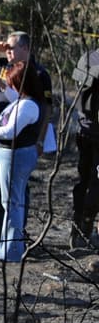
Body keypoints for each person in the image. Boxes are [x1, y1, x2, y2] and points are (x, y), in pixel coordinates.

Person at [0, 32, 52, 244]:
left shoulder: (39, 73)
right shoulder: (4, 65)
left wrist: (41, 140)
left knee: (18, 187)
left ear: (26, 48)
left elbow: (46, 108)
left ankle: (16, 233)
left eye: (12, 48)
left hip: (21, 139)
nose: (8, 52)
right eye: (6, 49)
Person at [0, 61, 46, 262]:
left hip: (16, 157)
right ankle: (8, 245)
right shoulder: (25, 100)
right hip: (11, 155)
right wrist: (3, 87)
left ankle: (11, 252)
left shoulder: (29, 105)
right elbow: (15, 101)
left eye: (12, 81)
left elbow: (10, 131)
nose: (10, 84)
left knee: (12, 204)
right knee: (12, 203)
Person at [72, 49, 99, 251]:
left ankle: (81, 230)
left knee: (86, 182)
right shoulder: (90, 59)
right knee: (91, 184)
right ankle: (83, 228)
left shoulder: (88, 57)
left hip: (85, 129)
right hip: (90, 132)